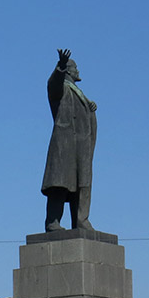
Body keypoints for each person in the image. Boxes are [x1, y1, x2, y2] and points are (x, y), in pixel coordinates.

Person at [42, 48, 98, 233]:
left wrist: (90, 109)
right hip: (64, 146)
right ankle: (53, 222)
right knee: (60, 185)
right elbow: (53, 85)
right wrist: (60, 66)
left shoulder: (79, 93)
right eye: (74, 68)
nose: (78, 71)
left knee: (81, 186)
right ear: (68, 71)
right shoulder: (61, 88)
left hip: (81, 147)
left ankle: (81, 221)